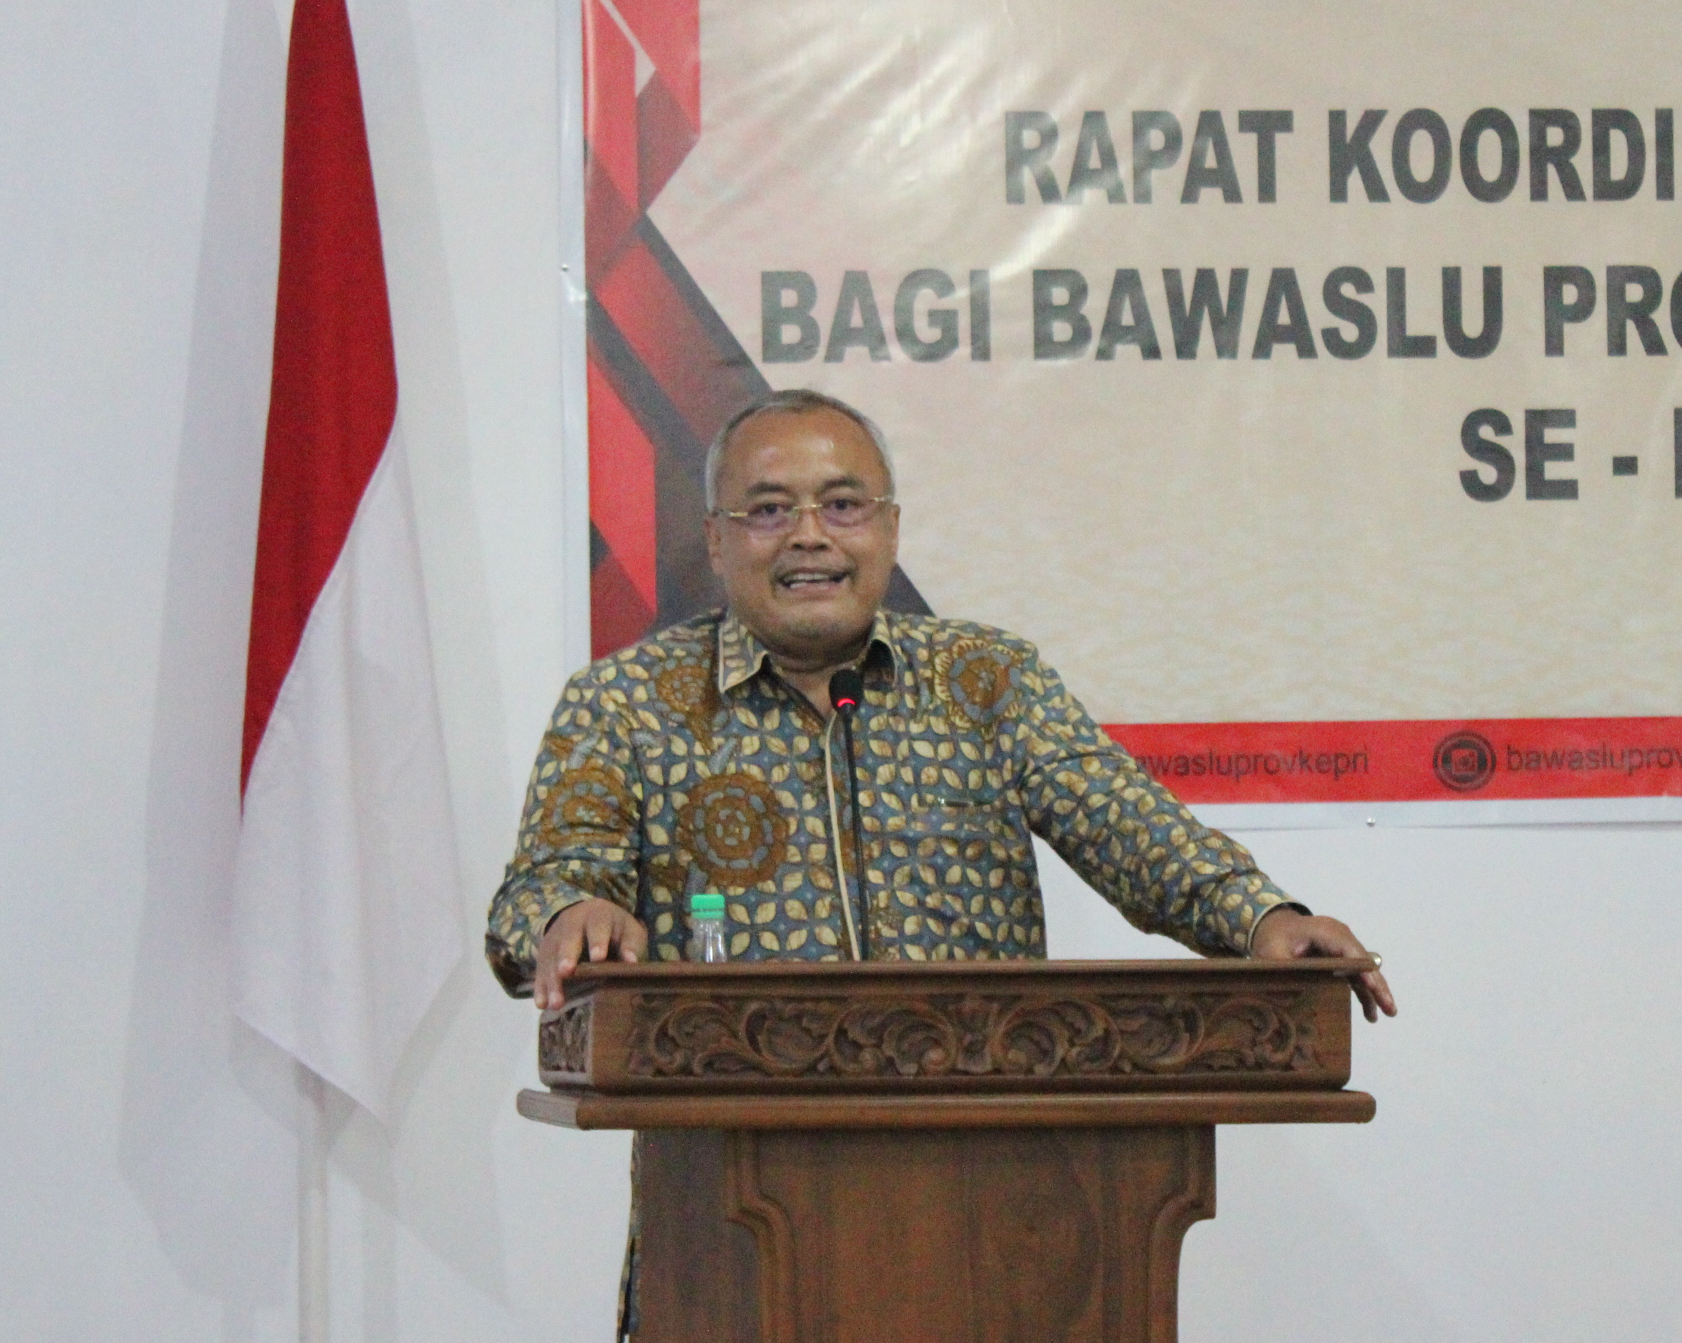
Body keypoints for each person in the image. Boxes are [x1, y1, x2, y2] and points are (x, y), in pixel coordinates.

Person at [485, 387, 1396, 1015]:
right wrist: (568, 916)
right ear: (716, 543)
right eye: (767, 511)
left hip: (983, 1149)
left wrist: (1264, 918)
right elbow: (536, 892)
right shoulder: (625, 704)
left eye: (844, 505)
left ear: (890, 529)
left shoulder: (984, 679)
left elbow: (1132, 830)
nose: (809, 536)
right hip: (728, 1163)